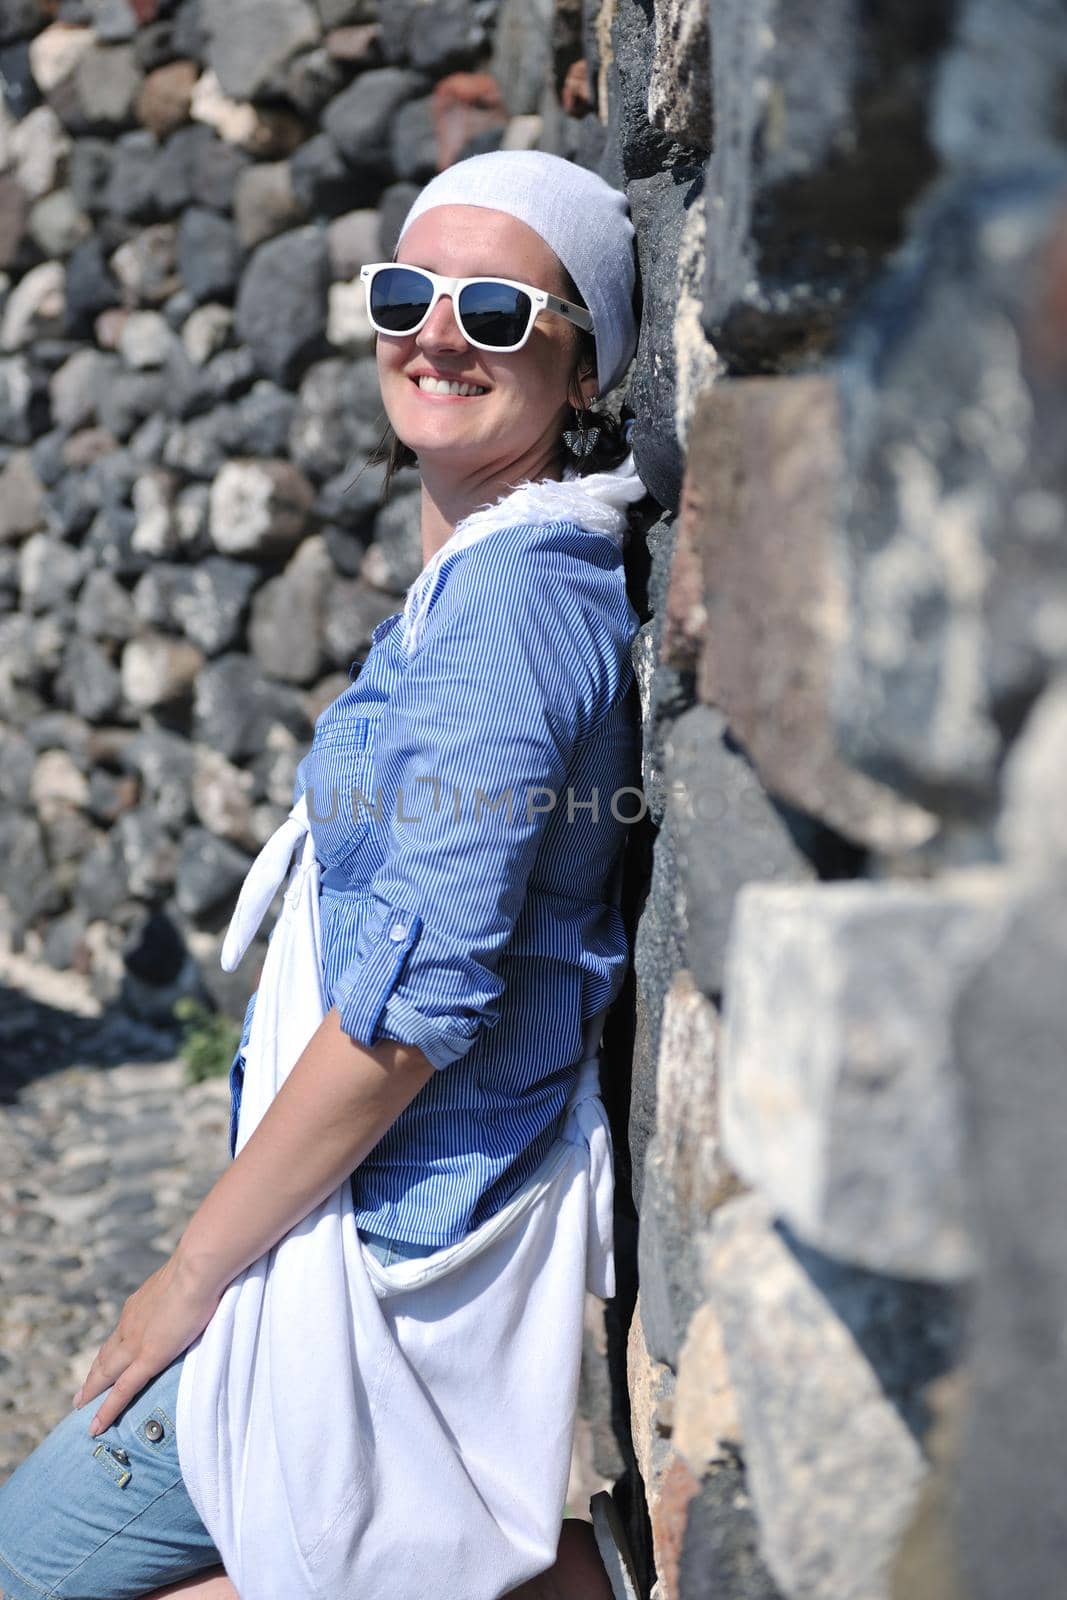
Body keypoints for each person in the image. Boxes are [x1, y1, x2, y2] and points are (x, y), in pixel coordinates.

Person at [0, 150, 645, 1600]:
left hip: (375, 1228)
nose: (434, 333)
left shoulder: (507, 620)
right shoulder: (486, 575)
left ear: (585, 365)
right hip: (363, 1207)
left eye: (494, 311)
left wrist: (190, 1272)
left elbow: (408, 1012)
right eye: (407, 293)